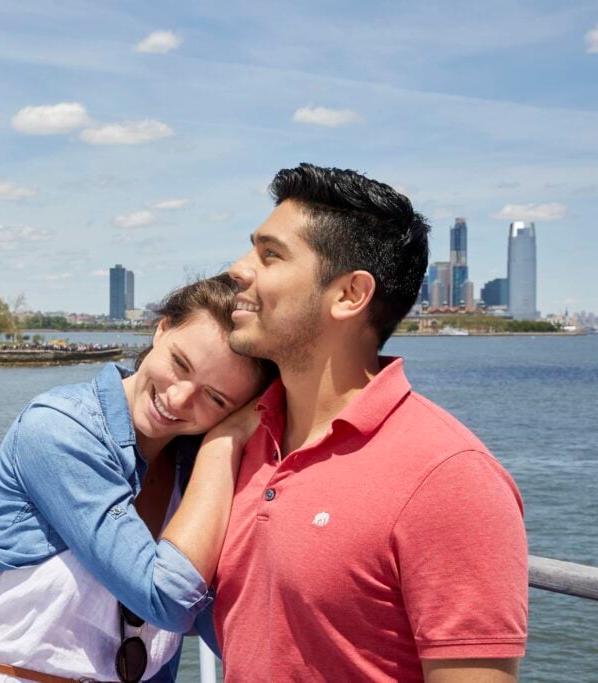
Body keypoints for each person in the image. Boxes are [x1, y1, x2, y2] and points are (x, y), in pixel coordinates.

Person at [211, 164, 528, 682]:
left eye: (270, 255)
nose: (238, 270)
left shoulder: (449, 477)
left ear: (349, 295)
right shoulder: (244, 435)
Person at [0, 274, 277, 682]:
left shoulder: (193, 471)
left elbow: (228, 621)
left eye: (215, 398)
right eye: (179, 364)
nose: (177, 399)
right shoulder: (60, 429)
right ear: (162, 329)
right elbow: (167, 600)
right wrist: (222, 443)